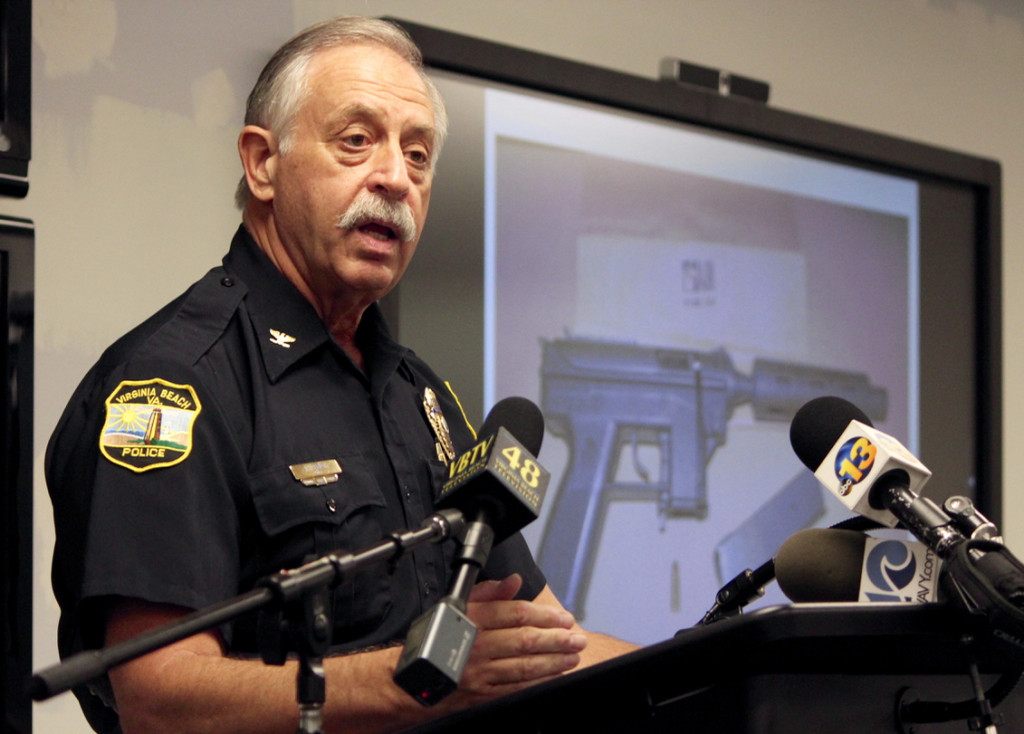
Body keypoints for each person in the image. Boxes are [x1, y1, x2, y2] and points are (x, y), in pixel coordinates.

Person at [45, 16, 637, 734]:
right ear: (262, 164)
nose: (396, 177)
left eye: (418, 156)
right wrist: (421, 680)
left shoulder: (423, 396)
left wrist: (723, 664)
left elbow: (543, 646)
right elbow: (161, 698)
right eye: (357, 141)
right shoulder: (178, 384)